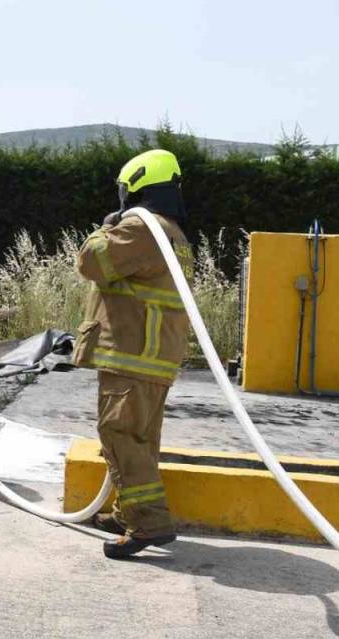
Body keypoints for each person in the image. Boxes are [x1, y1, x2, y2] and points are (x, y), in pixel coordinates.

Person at [73, 149, 195, 558]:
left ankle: (148, 525)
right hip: (153, 354)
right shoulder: (172, 231)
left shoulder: (142, 228)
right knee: (139, 439)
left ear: (136, 187)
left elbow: (92, 262)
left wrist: (103, 227)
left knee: (120, 434)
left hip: (132, 353)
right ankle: (129, 512)